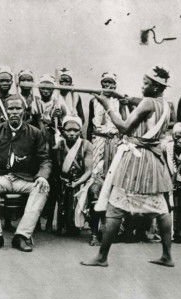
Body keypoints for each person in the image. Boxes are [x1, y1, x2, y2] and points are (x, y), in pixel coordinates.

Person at [81, 65, 174, 267]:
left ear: (156, 87)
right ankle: (167, 256)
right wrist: (120, 96)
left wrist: (107, 104)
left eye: (146, 84)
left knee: (114, 208)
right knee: (161, 208)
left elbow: (123, 127)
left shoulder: (147, 103)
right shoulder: (165, 104)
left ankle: (102, 257)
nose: (142, 86)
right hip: (154, 161)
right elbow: (138, 102)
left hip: (137, 160)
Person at [0, 95, 51, 252]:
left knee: (42, 188)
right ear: (6, 110)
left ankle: (21, 236)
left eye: (17, 108)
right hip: (1, 177)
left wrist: (41, 177)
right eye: (10, 108)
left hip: (23, 179)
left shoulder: (35, 133)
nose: (14, 112)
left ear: (24, 111)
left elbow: (45, 160)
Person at [87, 72, 129, 245]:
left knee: (115, 182)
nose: (108, 87)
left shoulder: (120, 101)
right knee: (96, 181)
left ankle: (114, 230)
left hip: (115, 141)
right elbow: (90, 124)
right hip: (98, 141)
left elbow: (126, 123)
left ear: (115, 86)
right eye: (105, 83)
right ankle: (94, 231)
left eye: (111, 84)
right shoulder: (93, 101)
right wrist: (90, 145)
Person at [31, 74, 67, 229]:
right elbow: (32, 122)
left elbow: (66, 122)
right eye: (43, 87)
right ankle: (36, 221)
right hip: (38, 142)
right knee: (37, 177)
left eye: (49, 87)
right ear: (39, 88)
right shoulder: (35, 103)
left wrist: (59, 118)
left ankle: (51, 219)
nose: (46, 90)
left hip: (53, 142)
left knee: (53, 179)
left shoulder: (59, 103)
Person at [55, 116, 93, 235]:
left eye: (75, 130)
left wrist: (77, 182)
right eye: (68, 130)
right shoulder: (59, 145)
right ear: (63, 131)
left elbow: (88, 170)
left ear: (80, 131)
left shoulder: (86, 145)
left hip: (80, 181)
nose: (72, 133)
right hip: (63, 181)